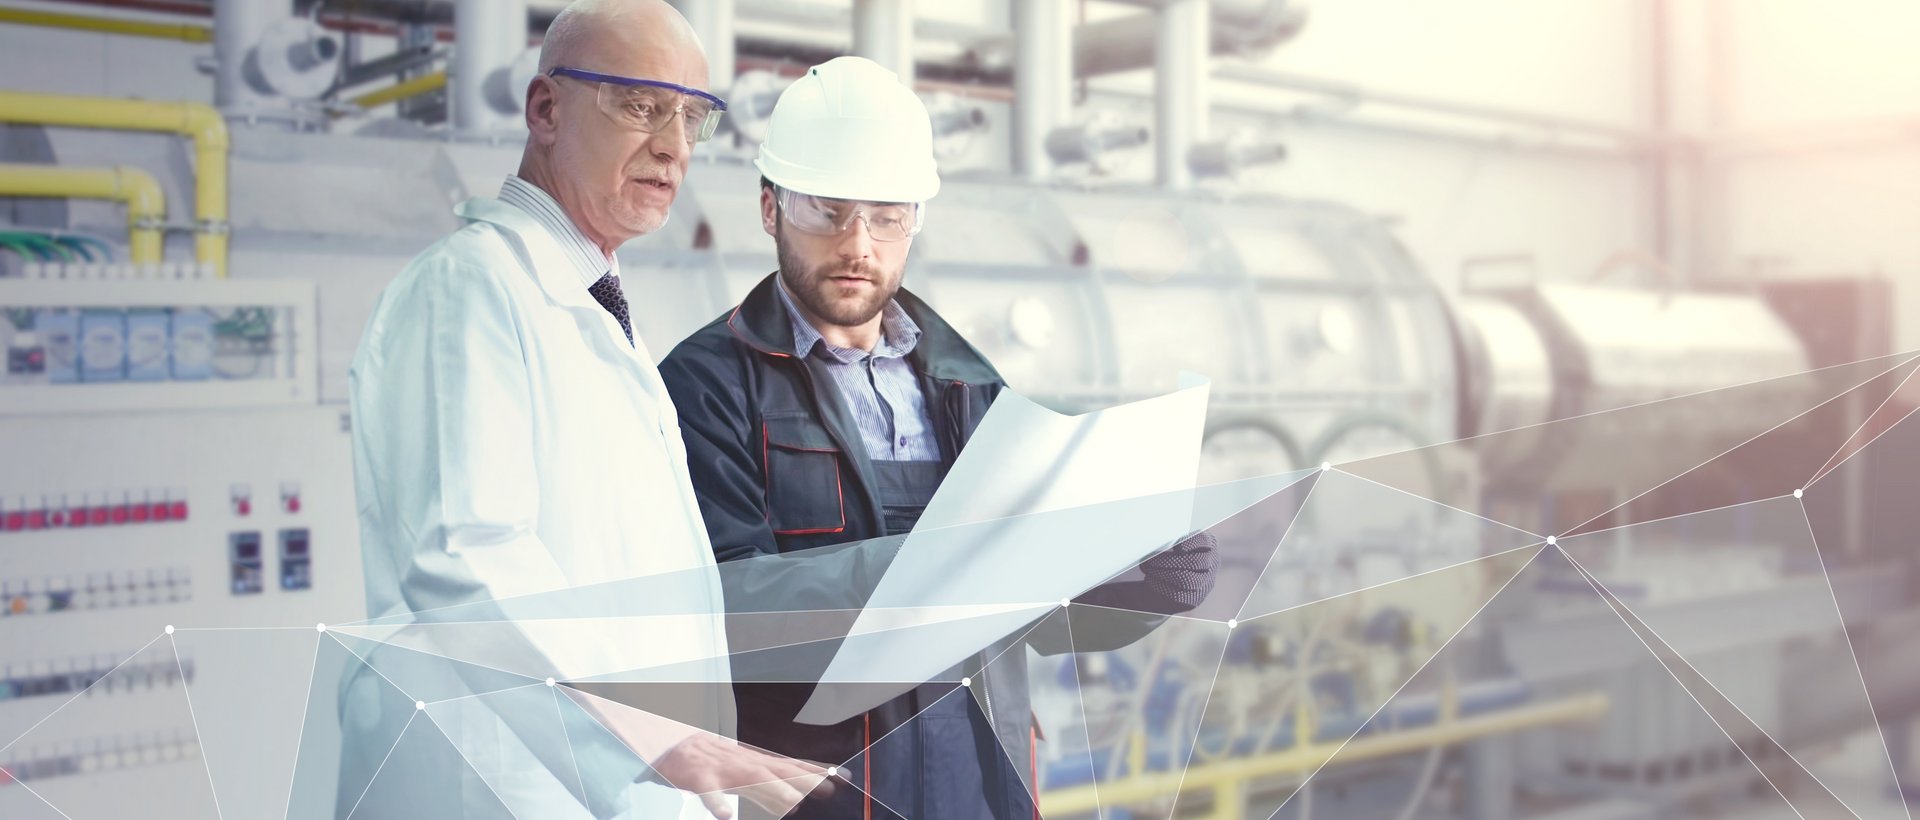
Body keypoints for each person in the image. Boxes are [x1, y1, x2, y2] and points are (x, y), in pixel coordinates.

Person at [659, 56, 1219, 819]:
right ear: (769, 208)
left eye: (888, 216)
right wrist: (936, 566)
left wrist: (1136, 585)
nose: (859, 242)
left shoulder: (968, 381)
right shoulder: (704, 384)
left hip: (978, 781)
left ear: (915, 220)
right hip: (826, 792)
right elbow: (721, 608)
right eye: (827, 210)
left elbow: (1026, 617)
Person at [344, 2, 825, 817]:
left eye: (692, 117)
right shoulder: (471, 290)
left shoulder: (594, 306)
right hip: (511, 787)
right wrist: (655, 737)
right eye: (641, 106)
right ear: (545, 110)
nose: (673, 146)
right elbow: (468, 558)